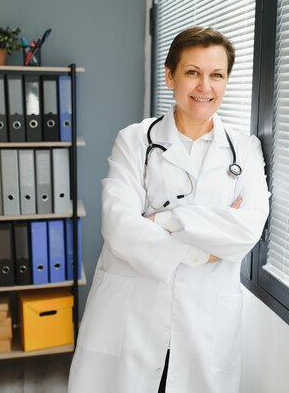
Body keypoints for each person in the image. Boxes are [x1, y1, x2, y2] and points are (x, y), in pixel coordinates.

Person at [67, 26, 270, 393]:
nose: (204, 87)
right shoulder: (134, 140)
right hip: (132, 314)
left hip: (204, 321)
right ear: (170, 75)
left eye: (216, 75)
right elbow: (119, 226)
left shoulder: (246, 149)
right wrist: (204, 250)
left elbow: (247, 229)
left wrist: (165, 220)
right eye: (192, 72)